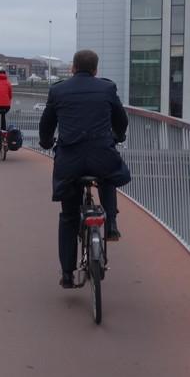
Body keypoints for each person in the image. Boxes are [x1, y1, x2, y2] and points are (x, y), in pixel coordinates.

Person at [39, 49, 130, 289]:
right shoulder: (107, 89)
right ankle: (110, 224)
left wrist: (46, 142)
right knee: (108, 173)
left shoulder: (58, 90)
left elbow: (47, 123)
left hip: (70, 161)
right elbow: (121, 119)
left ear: (72, 68)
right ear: (95, 70)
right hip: (101, 154)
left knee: (69, 216)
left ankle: (67, 274)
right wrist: (117, 136)